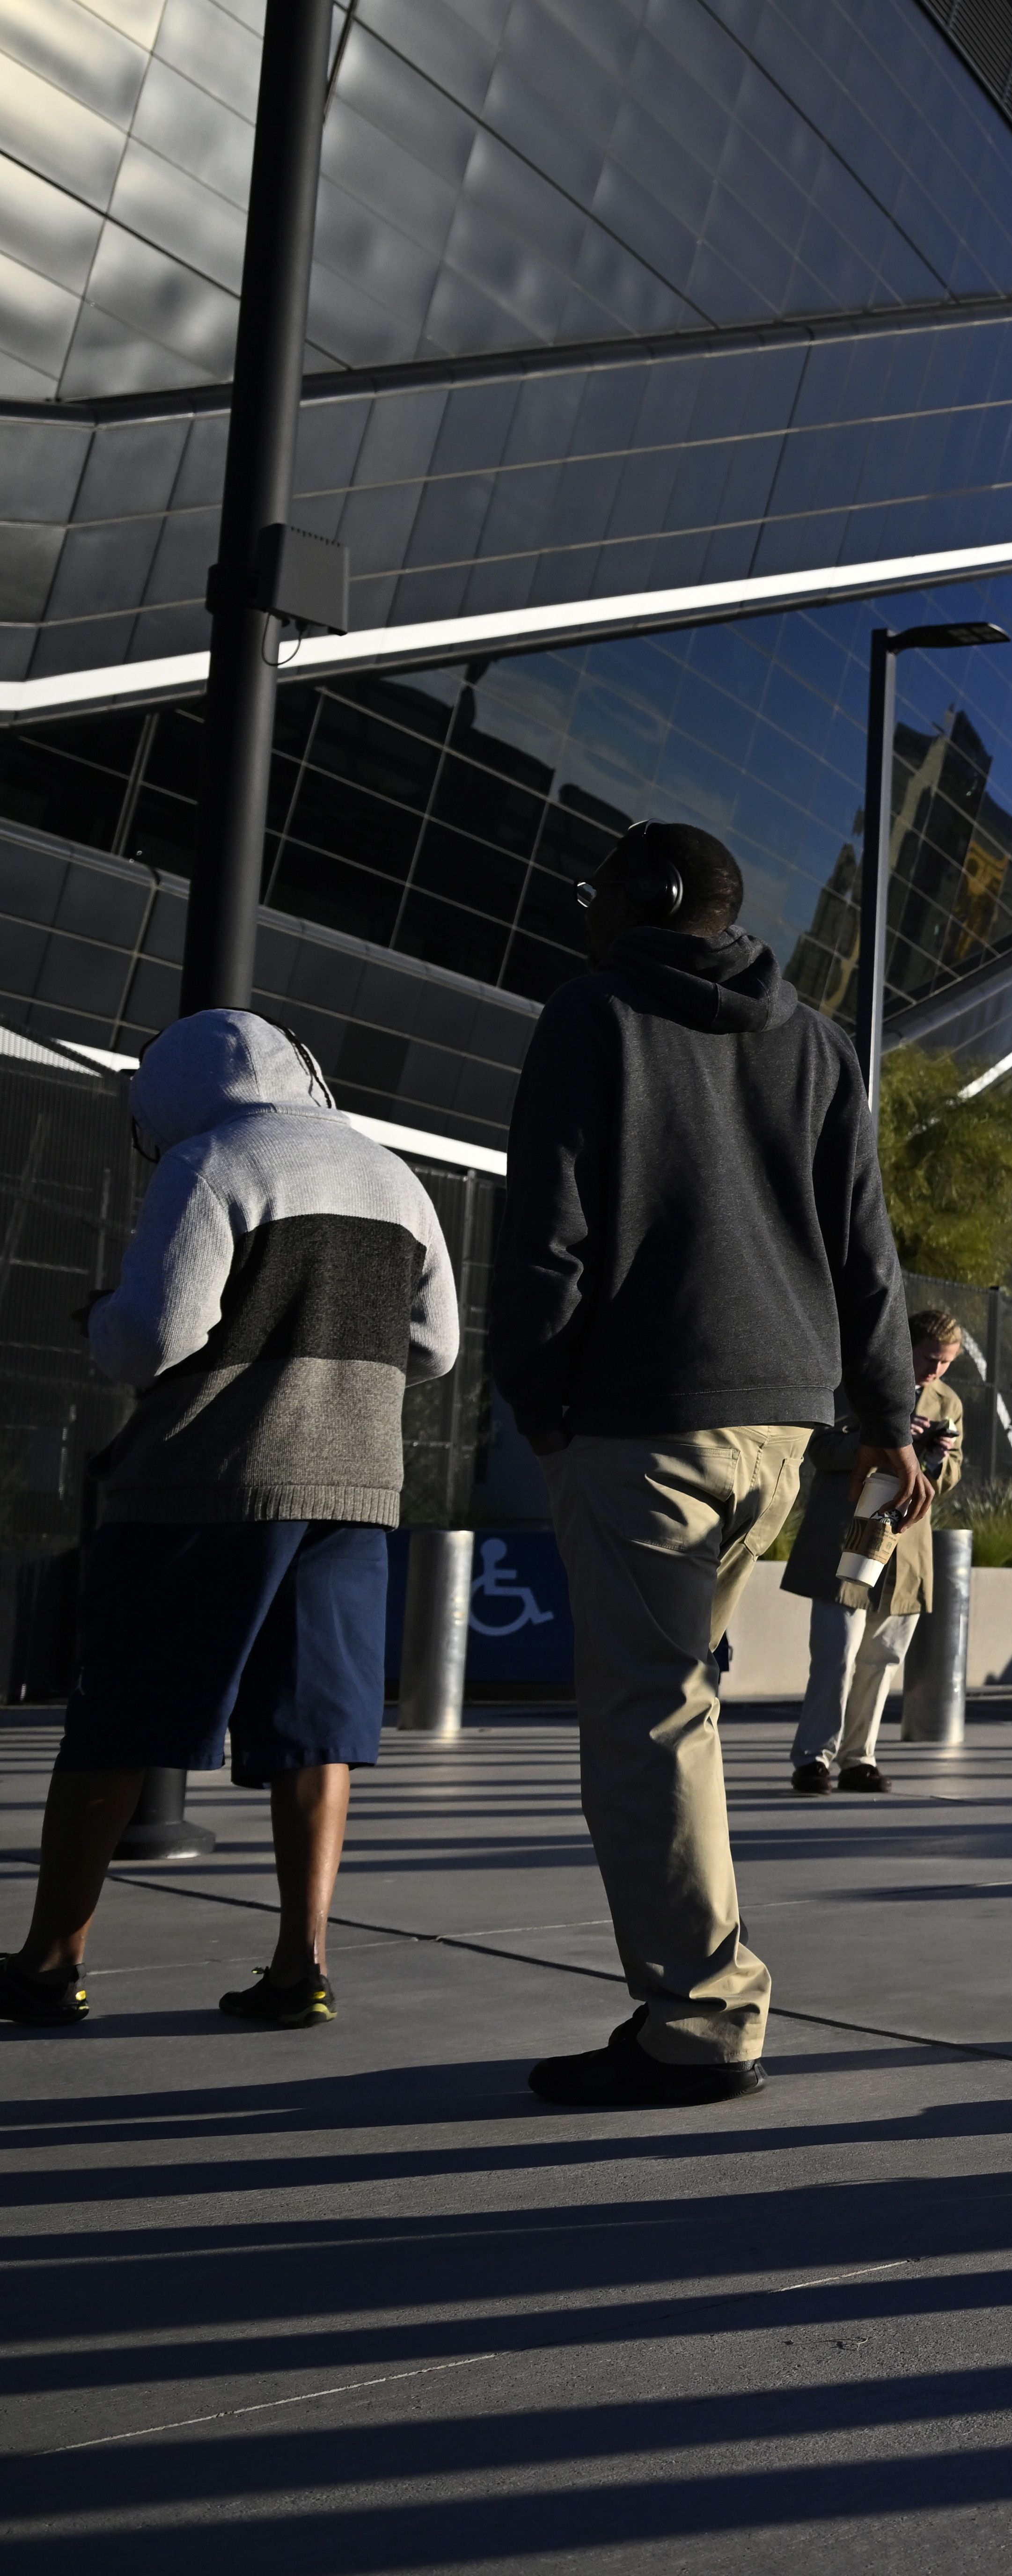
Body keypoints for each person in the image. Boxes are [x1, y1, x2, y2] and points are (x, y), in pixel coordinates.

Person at [492, 821, 924, 2110]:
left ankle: (697, 2018)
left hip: (644, 1421)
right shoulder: (817, 1042)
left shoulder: (593, 1015)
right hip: (779, 1432)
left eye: (597, 891)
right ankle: (696, 1999)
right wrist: (889, 1414)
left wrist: (541, 1397)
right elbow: (867, 1245)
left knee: (647, 1721)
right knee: (680, 1704)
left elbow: (546, 1231)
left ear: (649, 897)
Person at [0, 1013, 457, 2032]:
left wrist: (103, 1320)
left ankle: (49, 1960)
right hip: (352, 1487)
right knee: (316, 1730)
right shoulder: (394, 1176)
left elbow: (157, 1334)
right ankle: (302, 1963)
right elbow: (437, 1348)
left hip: (208, 1485)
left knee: (120, 1721)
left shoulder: (212, 1161)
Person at [786, 1309, 968, 1793]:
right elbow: (821, 1449)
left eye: (947, 1362)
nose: (936, 1371)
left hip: (905, 1546)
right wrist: (889, 1441)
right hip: (848, 1534)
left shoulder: (948, 1400)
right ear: (904, 1346)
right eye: (930, 1357)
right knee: (836, 1653)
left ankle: (858, 1759)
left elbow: (946, 1479)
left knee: (883, 1656)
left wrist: (936, 1456)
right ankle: (813, 1759)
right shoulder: (854, 1382)